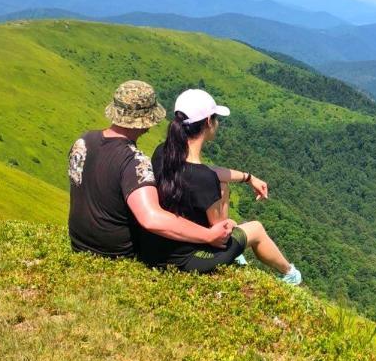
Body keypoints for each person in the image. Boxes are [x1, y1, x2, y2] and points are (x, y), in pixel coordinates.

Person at [141, 88, 302, 285]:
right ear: (209, 121)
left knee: (223, 184)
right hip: (189, 261)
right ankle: (290, 274)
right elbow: (221, 232)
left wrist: (248, 177)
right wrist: (231, 222)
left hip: (158, 248)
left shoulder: (163, 153)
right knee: (257, 229)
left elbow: (207, 170)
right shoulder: (204, 179)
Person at [68, 80, 236, 258]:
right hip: (116, 252)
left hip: (79, 243)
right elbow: (152, 219)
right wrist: (209, 235)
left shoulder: (84, 141)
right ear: (146, 120)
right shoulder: (134, 161)